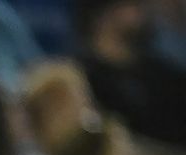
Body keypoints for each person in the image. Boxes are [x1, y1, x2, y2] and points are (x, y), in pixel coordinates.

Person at [77, 0, 186, 147]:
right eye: (132, 3)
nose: (142, 9)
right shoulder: (78, 75)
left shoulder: (168, 77)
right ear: (104, 12)